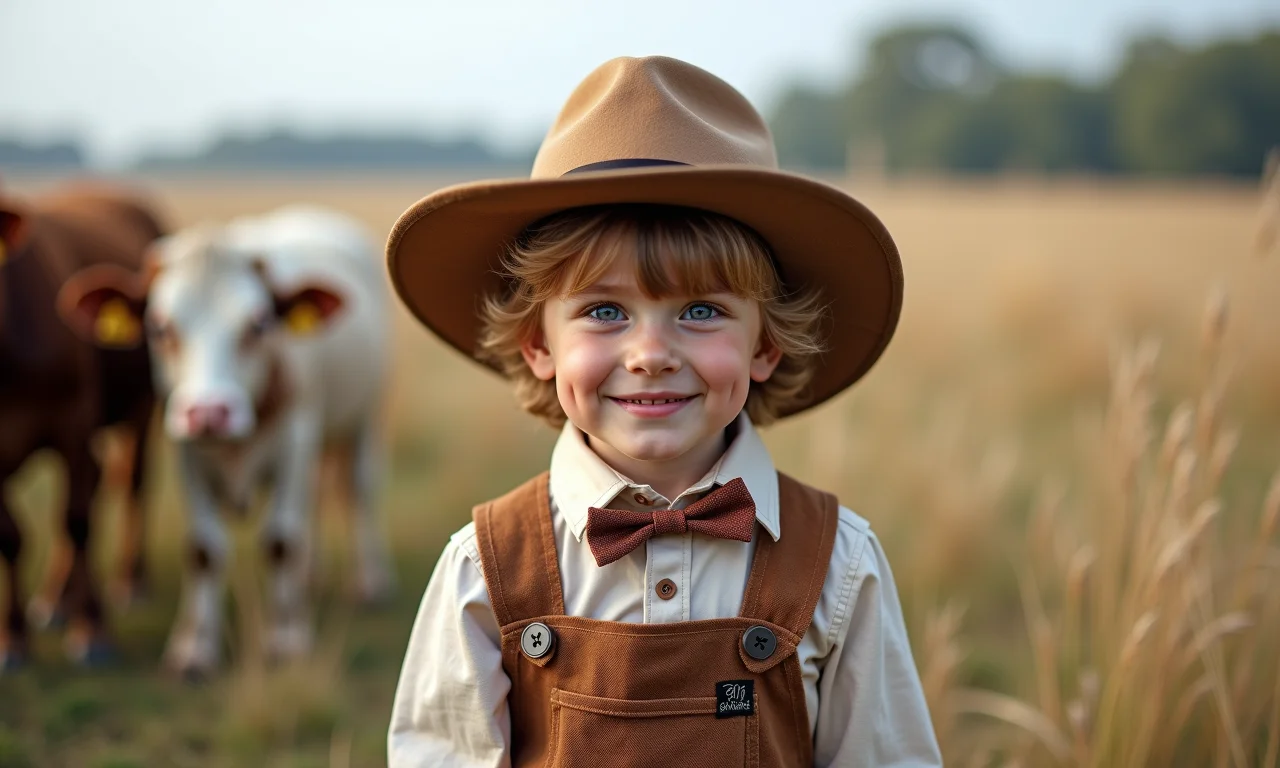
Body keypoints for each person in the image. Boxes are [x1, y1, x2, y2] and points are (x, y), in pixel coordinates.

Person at [385, 55, 942, 767]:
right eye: (605, 311)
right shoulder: (484, 568)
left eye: (701, 310)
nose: (651, 353)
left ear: (764, 346)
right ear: (537, 345)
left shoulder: (838, 561)